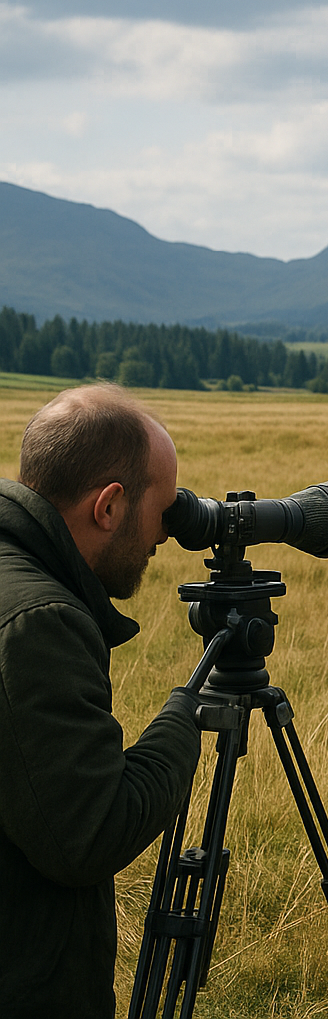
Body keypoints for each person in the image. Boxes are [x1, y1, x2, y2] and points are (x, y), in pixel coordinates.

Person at [0, 383, 203, 1018]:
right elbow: (89, 834)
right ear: (109, 507)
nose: (167, 535)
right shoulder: (41, 622)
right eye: (163, 511)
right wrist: (186, 719)